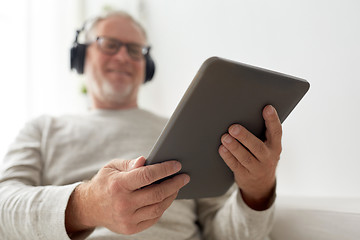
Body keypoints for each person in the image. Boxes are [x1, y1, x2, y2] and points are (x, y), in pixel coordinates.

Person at [0, 11, 282, 240]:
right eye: (109, 45)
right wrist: (87, 206)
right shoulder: (42, 130)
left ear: (146, 67)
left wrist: (257, 191)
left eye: (135, 50)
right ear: (80, 56)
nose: (123, 57)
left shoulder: (189, 128)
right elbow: (3, 208)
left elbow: (229, 235)